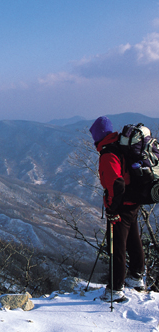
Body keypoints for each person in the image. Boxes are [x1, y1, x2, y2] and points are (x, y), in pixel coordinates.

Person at [89, 116, 145, 302]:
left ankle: (115, 289)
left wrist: (112, 208)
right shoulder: (121, 145)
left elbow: (116, 183)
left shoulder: (108, 153)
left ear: (98, 135)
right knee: (133, 239)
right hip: (133, 202)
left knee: (116, 247)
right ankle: (136, 277)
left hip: (121, 206)